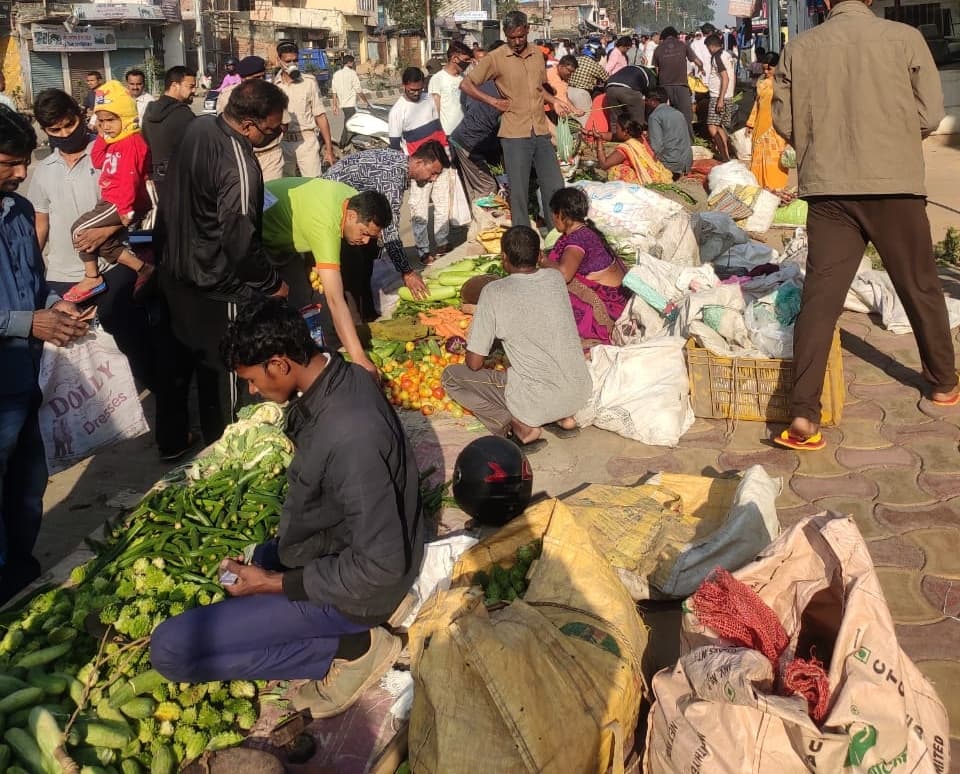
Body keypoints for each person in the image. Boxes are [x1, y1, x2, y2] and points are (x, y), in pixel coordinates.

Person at [150, 300, 423, 719]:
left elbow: (379, 567)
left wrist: (274, 584)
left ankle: (354, 647)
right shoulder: (344, 375)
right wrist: (270, 565)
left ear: (279, 363)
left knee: (169, 650)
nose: (252, 391)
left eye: (253, 380)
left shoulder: (350, 436)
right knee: (254, 560)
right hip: (343, 547)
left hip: (365, 592)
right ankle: (295, 599)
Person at [771, 0, 958, 450]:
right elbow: (930, 115)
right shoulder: (905, 38)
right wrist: (891, 132)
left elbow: (783, 120)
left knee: (821, 298)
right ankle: (943, 382)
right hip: (894, 184)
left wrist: (826, 139)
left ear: (826, 3)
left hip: (829, 188)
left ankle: (802, 414)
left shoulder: (799, 47)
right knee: (918, 284)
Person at [29, 89, 194, 461]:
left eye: (69, 124)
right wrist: (31, 270)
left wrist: (110, 232)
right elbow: (40, 225)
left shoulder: (108, 148)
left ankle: (173, 430)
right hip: (64, 274)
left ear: (80, 115)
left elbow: (137, 199)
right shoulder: (43, 172)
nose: (63, 133)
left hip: (116, 263)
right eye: (54, 130)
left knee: (136, 344)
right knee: (64, 360)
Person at [158, 79, 290, 445]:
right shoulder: (239, 163)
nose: (276, 134)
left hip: (176, 268)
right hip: (217, 283)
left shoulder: (198, 126)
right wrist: (270, 282)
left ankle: (171, 442)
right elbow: (240, 238)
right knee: (226, 371)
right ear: (249, 124)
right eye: (273, 128)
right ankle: (225, 447)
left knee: (184, 362)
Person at [0, 107, 89, 603]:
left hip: (27, 376)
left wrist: (58, 307)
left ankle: (20, 571)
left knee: (28, 483)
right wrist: (25, 322)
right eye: (10, 162)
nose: (21, 173)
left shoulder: (14, 213)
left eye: (24, 162)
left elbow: (33, 284)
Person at [442, 225, 591, 452]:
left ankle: (517, 427)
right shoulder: (554, 278)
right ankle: (564, 419)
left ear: (504, 257)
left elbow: (474, 364)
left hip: (536, 400)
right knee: (539, 366)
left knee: (450, 377)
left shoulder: (494, 292)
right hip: (578, 392)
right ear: (539, 256)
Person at [261, 179, 391, 378]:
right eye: (364, 233)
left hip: (285, 236)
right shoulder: (325, 225)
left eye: (371, 237)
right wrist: (359, 358)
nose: (365, 241)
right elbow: (335, 300)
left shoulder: (353, 198)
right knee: (274, 306)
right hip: (258, 238)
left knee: (304, 299)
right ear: (351, 215)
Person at [460, 11, 573, 231]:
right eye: (512, 37)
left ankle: (555, 234)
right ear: (506, 34)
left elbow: (539, 89)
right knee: (519, 191)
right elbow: (466, 84)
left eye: (521, 36)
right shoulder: (496, 57)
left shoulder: (537, 55)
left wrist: (555, 101)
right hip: (514, 134)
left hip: (539, 130)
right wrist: (492, 101)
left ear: (527, 30)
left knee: (555, 185)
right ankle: (523, 238)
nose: (517, 42)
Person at [323, 144, 443, 319]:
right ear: (418, 162)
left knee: (367, 258)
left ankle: (368, 312)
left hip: (353, 210)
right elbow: (390, 230)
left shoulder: (399, 162)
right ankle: (355, 322)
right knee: (352, 272)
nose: (433, 179)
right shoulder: (392, 177)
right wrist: (407, 273)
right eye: (432, 173)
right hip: (333, 213)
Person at [63, 81, 153, 304]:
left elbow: (130, 178)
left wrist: (124, 211)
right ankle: (144, 269)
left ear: (127, 118)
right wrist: (103, 138)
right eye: (101, 121)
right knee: (101, 243)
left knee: (78, 230)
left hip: (119, 201)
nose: (105, 126)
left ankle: (91, 277)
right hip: (112, 200)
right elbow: (98, 160)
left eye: (111, 120)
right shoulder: (115, 141)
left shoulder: (131, 142)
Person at [543, 187, 631, 347]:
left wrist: (542, 261)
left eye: (553, 213)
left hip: (610, 307)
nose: (552, 218)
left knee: (563, 285)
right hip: (619, 296)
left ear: (561, 214)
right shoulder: (585, 232)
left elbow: (564, 275)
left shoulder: (578, 239)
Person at [389, 67, 451, 263]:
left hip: (439, 162)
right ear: (404, 86)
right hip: (419, 168)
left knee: (442, 205)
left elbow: (438, 126)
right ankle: (423, 250)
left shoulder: (428, 99)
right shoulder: (397, 111)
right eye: (412, 90)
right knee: (419, 210)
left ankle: (442, 242)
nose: (416, 93)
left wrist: (447, 153)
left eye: (419, 89)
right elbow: (394, 146)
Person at [216, 56, 287, 183]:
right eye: (255, 78)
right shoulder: (227, 96)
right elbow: (224, 128)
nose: (260, 81)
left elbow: (283, 125)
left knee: (272, 196)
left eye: (262, 76)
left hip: (270, 155)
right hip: (242, 157)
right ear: (243, 79)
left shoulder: (273, 93)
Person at [450, 45, 506, 204]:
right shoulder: (487, 87)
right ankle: (484, 224)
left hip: (481, 144)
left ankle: (478, 221)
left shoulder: (485, 85)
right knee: (486, 187)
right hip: (469, 143)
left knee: (480, 188)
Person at [275, 41, 335, 174]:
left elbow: (320, 116)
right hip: (283, 144)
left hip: (307, 142)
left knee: (313, 184)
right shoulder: (273, 86)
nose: (292, 64)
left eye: (295, 60)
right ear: (279, 60)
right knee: (286, 188)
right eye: (288, 61)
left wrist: (329, 150)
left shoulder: (309, 82)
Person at [142, 66, 197, 196]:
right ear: (175, 85)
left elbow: (146, 142)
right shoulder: (183, 114)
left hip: (157, 177)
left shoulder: (149, 110)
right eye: (191, 86)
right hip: (180, 180)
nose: (194, 91)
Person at [744, 52, 788, 189]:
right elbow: (757, 104)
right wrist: (750, 124)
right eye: (764, 69)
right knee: (758, 156)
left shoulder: (784, 85)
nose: (766, 72)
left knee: (775, 160)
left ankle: (777, 188)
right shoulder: (761, 83)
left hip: (776, 128)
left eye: (769, 69)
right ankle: (760, 187)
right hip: (760, 126)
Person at [594, 110, 672, 185]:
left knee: (616, 170)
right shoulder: (639, 138)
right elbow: (615, 137)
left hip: (646, 179)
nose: (615, 131)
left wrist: (599, 141)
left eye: (617, 128)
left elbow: (604, 164)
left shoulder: (626, 147)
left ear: (625, 132)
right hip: (657, 174)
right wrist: (597, 134)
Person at [652, 27, 703, 140]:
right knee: (686, 115)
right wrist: (701, 68)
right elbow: (697, 61)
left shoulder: (658, 49)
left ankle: (669, 139)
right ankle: (689, 141)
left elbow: (657, 71)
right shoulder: (683, 45)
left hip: (664, 87)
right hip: (681, 85)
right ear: (675, 36)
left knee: (666, 116)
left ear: (663, 38)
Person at [645, 86, 693, 177]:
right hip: (687, 162)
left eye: (646, 100)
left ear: (653, 101)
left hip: (671, 164)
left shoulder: (654, 116)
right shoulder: (678, 113)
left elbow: (657, 146)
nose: (645, 103)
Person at [429, 41, 472, 137]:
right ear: (455, 59)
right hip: (447, 133)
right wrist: (439, 135)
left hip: (464, 133)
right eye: (466, 60)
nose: (468, 63)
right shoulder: (438, 78)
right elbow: (435, 110)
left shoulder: (464, 78)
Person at [704, 32, 736, 161]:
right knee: (719, 126)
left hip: (719, 96)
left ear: (711, 46)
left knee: (712, 126)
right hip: (727, 95)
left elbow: (725, 78)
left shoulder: (717, 57)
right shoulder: (727, 55)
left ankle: (724, 156)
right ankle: (727, 153)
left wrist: (720, 99)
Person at [330, 54, 369, 148]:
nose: (354, 63)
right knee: (349, 125)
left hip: (343, 105)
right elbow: (358, 89)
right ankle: (342, 145)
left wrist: (335, 106)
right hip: (350, 105)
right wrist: (366, 101)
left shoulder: (336, 74)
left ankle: (348, 144)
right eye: (353, 62)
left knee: (350, 124)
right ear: (350, 63)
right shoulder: (352, 73)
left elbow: (334, 92)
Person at [568, 46, 607, 124]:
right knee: (584, 121)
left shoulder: (575, 60)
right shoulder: (595, 65)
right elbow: (606, 78)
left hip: (568, 91)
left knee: (570, 119)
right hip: (581, 94)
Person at [545, 55, 578, 120]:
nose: (570, 74)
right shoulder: (551, 74)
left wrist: (574, 110)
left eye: (572, 72)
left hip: (557, 112)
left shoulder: (563, 76)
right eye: (569, 70)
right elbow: (558, 96)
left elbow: (564, 96)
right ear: (560, 67)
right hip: (547, 112)